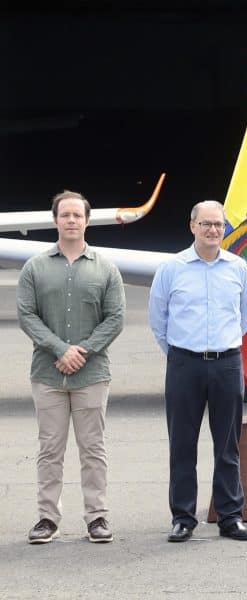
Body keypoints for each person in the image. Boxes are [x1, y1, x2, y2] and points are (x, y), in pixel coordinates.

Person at [17, 190, 125, 544]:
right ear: (55, 220)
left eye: (78, 215)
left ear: (87, 221)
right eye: (65, 215)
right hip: (47, 374)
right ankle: (47, 518)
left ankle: (97, 517)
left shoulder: (106, 269)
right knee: (50, 449)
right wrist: (60, 349)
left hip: (91, 375)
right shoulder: (35, 268)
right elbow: (27, 315)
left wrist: (84, 351)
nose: (72, 220)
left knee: (93, 448)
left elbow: (115, 318)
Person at [148, 200, 247, 542]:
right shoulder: (172, 269)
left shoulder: (238, 268)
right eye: (206, 224)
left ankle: (230, 516)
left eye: (218, 224)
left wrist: (222, 347)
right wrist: (180, 353)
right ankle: (183, 517)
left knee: (228, 445)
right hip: (185, 364)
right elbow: (158, 319)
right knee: (182, 444)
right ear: (192, 226)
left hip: (227, 363)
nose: (212, 230)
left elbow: (244, 317)